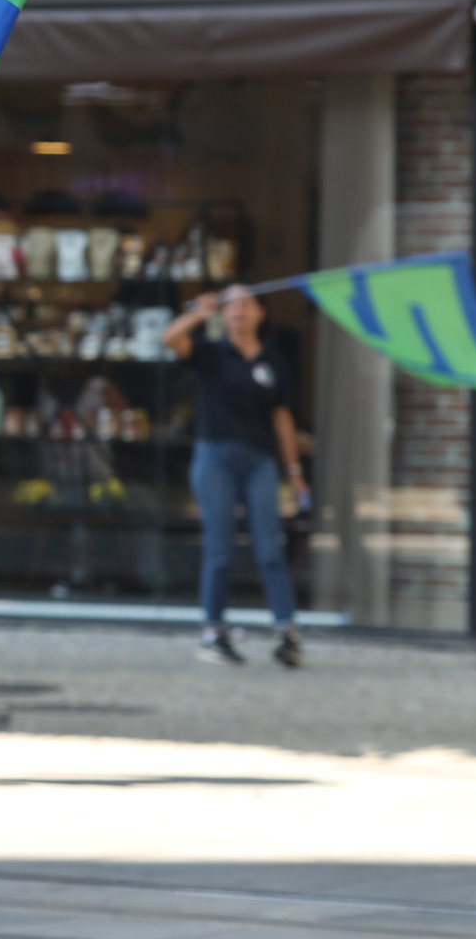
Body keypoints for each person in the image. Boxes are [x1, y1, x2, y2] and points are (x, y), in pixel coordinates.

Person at [160, 284, 310, 668]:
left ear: (261, 313)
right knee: (219, 549)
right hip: (216, 459)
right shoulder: (211, 354)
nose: (238, 312)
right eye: (230, 307)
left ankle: (287, 632)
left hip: (259, 460)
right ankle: (213, 631)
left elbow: (282, 417)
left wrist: (294, 473)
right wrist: (199, 312)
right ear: (223, 315)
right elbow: (169, 338)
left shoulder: (273, 361)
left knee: (269, 548)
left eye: (246, 305)